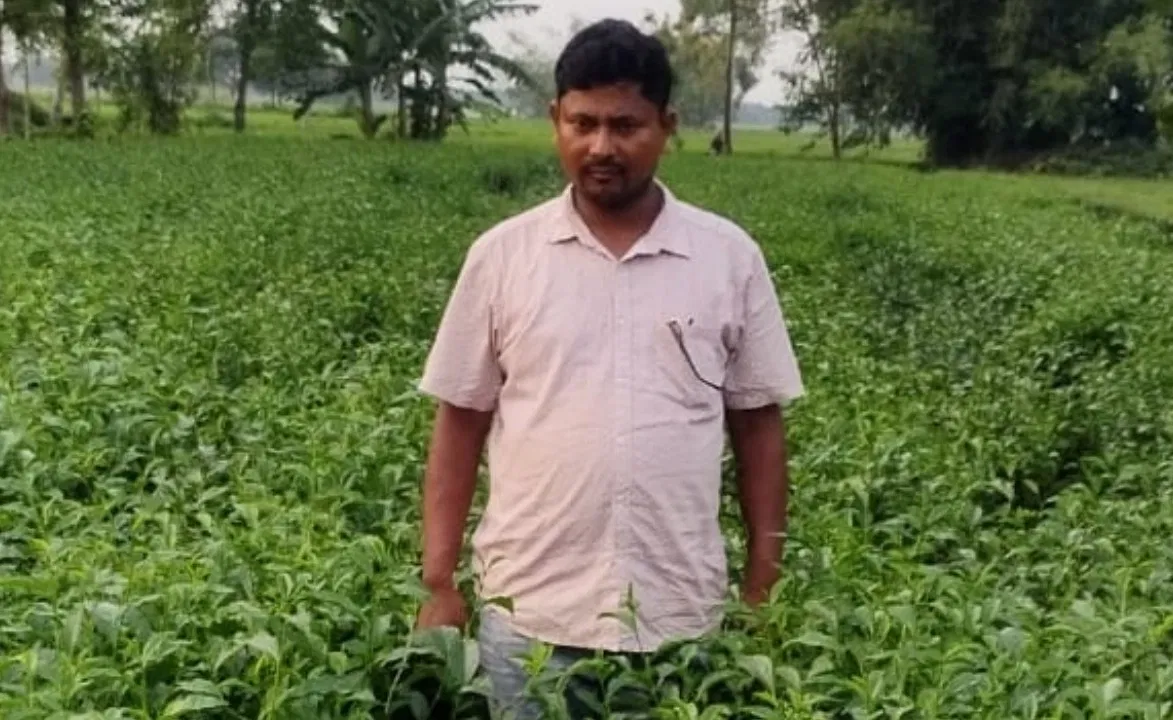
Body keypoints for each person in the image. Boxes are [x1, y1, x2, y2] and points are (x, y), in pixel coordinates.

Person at [414, 17, 804, 718]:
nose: (600, 146)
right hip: (529, 614)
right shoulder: (503, 257)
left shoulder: (727, 258)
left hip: (677, 616)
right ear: (554, 120)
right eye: (582, 122)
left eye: (625, 125)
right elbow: (460, 419)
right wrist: (438, 580)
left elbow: (758, 428)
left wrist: (761, 588)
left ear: (666, 125)